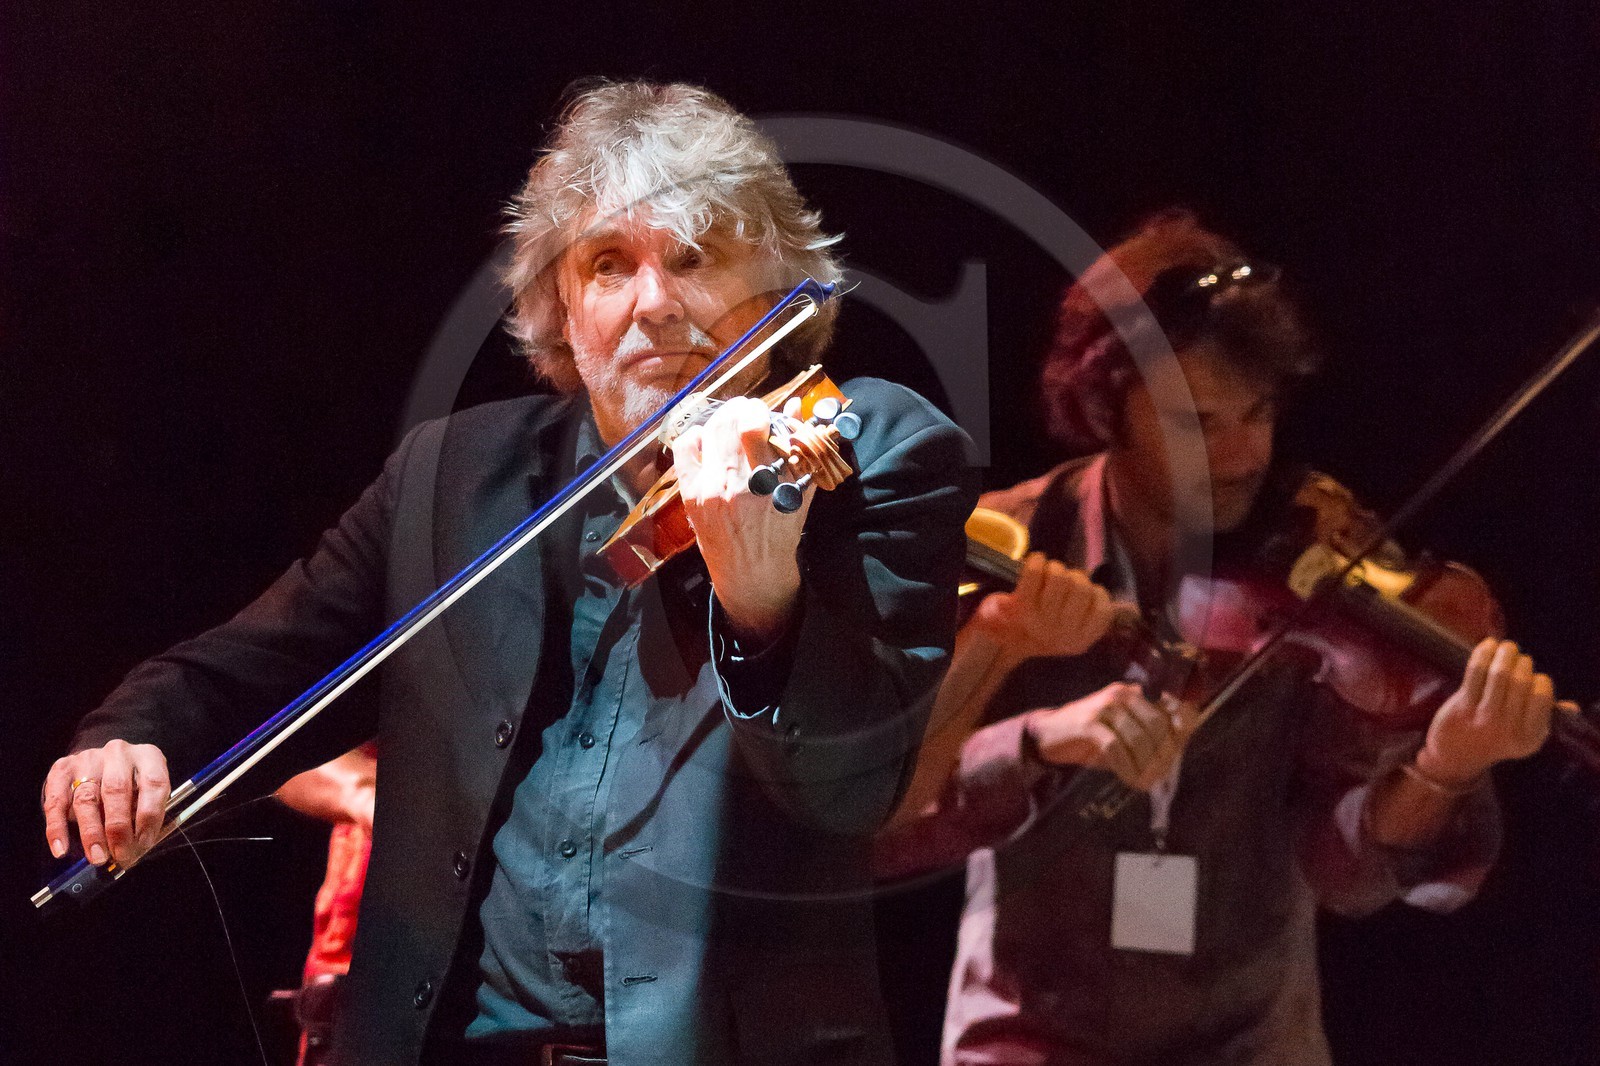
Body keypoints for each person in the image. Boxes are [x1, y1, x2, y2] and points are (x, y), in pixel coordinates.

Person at [40, 81, 977, 1066]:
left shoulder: (869, 453)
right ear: (563, 306)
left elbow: (854, 783)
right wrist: (130, 739)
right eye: (609, 264)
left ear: (775, 283)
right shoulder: (456, 476)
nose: (653, 302)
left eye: (695, 258)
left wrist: (759, 596)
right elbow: (254, 668)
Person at [875, 209, 1555, 1065]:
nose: (1242, 457)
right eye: (1199, 425)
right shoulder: (1002, 549)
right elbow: (876, 833)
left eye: (1258, 414)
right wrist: (1035, 734)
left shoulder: (1320, 568)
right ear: (1104, 406)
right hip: (1029, 1039)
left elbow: (1345, 876)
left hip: (1251, 1044)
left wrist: (1443, 768)